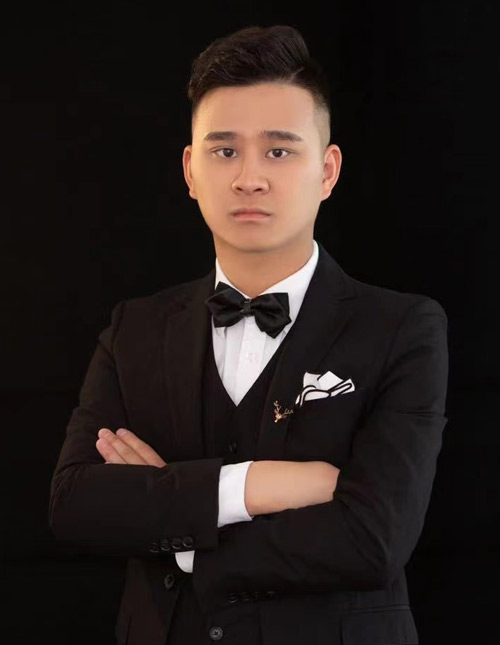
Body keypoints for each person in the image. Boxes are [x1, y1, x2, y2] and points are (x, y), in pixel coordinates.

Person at [49, 24, 449, 645]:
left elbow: (374, 538)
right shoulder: (135, 328)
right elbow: (76, 505)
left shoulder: (403, 328)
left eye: (279, 151)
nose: (249, 178)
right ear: (191, 170)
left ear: (328, 171)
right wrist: (248, 486)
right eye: (225, 151)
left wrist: (177, 528)